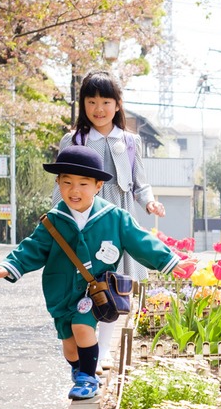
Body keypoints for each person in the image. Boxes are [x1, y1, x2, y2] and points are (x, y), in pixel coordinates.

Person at [0, 145, 181, 400]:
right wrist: (7, 267)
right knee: (69, 344)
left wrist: (171, 261)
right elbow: (32, 248)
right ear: (58, 184)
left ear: (98, 186)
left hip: (94, 291)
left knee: (82, 326)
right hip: (60, 291)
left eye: (83, 184)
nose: (75, 190)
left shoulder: (115, 217)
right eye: (67, 183)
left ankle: (87, 378)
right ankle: (79, 369)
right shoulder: (53, 220)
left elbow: (140, 241)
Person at [56, 70, 167, 368]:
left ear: (118, 105)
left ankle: (102, 351)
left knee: (113, 287)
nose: (99, 108)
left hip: (119, 224)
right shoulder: (73, 139)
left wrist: (150, 202)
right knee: (83, 284)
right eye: (91, 101)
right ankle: (83, 348)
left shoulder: (130, 141)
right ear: (83, 104)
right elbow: (61, 186)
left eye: (106, 101)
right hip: (83, 224)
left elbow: (140, 184)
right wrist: (58, 223)